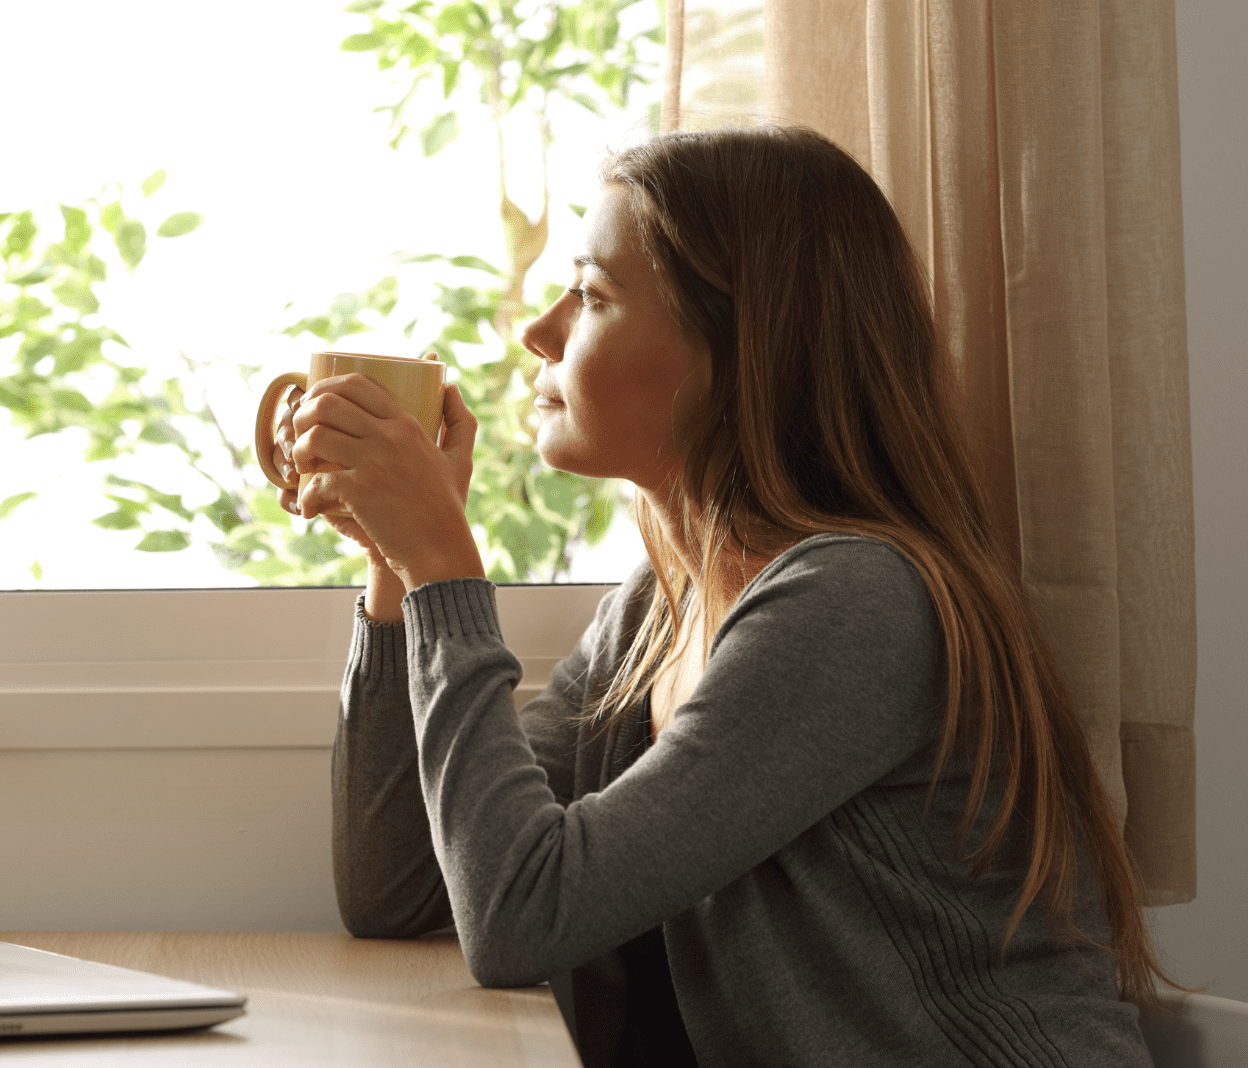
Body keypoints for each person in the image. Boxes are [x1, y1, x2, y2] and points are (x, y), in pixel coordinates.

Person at [271, 124, 1180, 1067]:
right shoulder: (657, 612)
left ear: (738, 350)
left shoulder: (859, 603)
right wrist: (395, 566)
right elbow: (398, 888)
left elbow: (520, 918)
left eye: (588, 295)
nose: (538, 334)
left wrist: (442, 568)